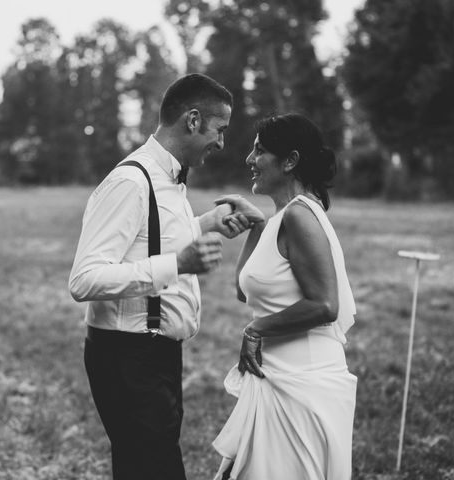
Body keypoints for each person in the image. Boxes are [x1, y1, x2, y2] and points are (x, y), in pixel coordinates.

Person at [68, 73, 260, 480]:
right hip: (126, 356)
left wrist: (207, 223)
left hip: (154, 356)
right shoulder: (129, 182)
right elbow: (84, 279)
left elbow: (150, 237)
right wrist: (179, 264)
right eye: (220, 129)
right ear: (192, 120)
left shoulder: (168, 180)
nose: (222, 143)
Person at [212, 113, 357, 480]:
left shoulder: (301, 216)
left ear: (290, 160)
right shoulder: (280, 217)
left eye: (259, 151)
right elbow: (243, 291)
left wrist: (256, 330)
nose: (249, 160)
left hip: (303, 384)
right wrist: (257, 227)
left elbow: (325, 304)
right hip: (274, 378)